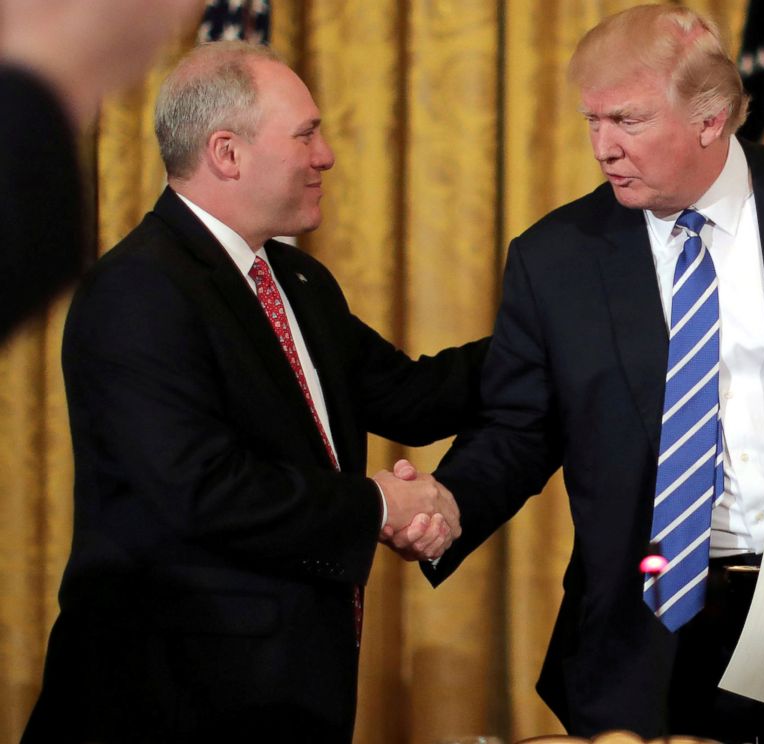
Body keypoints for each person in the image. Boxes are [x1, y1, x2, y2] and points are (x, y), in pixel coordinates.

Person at [419, 5, 764, 743]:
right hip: (643, 633)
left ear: (710, 119)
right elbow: (519, 428)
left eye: (627, 121)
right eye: (592, 122)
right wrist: (447, 505)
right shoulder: (555, 256)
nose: (603, 147)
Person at [22, 41, 486, 743]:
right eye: (306, 135)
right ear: (227, 153)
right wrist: (382, 503)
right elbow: (200, 489)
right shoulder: (139, 290)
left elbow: (414, 397)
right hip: (169, 704)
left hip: (287, 696)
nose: (326, 155)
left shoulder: (296, 283)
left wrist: (553, 330)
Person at [0, 0, 203, 341]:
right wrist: (48, 64)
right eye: (303, 136)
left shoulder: (304, 281)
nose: (323, 156)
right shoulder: (140, 283)